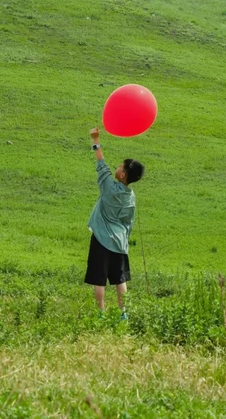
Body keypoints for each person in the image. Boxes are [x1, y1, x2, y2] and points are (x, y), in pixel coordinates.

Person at [84, 127, 145, 319]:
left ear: (122, 175)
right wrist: (124, 241)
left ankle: (101, 313)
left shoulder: (108, 188)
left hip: (101, 239)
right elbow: (129, 221)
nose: (116, 168)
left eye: (120, 166)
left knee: (99, 279)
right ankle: (123, 313)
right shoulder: (131, 197)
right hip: (119, 242)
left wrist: (95, 140)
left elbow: (101, 165)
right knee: (120, 279)